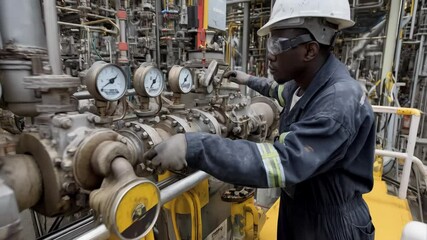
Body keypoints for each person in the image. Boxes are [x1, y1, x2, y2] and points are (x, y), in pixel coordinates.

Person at [143, 0, 376, 239]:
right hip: (301, 206)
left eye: (277, 43)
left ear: (310, 50)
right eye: (269, 42)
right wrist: (246, 80)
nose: (270, 54)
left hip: (330, 224)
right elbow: (278, 92)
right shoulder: (307, 84)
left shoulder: (337, 103)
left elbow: (283, 162)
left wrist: (194, 146)